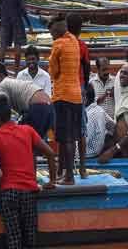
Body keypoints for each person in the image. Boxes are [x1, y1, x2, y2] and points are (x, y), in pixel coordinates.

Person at [0, 95, 56, 249]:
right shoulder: (28, 130)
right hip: (29, 192)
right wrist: (52, 181)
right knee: (30, 239)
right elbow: (51, 153)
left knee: (14, 240)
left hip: (9, 192)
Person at [47, 17, 86, 183]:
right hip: (77, 96)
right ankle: (64, 173)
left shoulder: (58, 44)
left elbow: (53, 72)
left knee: (65, 138)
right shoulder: (75, 42)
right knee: (72, 136)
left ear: (56, 31)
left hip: (62, 95)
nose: (51, 37)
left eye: (51, 33)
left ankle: (69, 176)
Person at [0, 62, 54, 139]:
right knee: (37, 142)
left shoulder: (2, 84)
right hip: (49, 107)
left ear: (1, 76)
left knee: (24, 141)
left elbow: (2, 109)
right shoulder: (13, 82)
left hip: (38, 108)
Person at [83, 83, 115, 159]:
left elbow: (83, 142)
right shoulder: (99, 109)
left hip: (87, 155)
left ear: (84, 98)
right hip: (96, 152)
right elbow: (113, 126)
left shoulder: (89, 115)